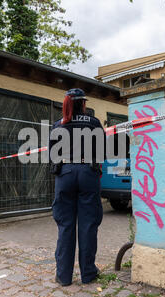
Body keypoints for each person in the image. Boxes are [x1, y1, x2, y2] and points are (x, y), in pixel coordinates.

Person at [49, 88, 105, 286]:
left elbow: (53, 157)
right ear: (83, 104)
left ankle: (63, 276)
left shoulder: (58, 125)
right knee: (88, 224)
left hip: (65, 173)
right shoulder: (95, 123)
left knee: (65, 225)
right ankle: (88, 274)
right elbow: (101, 153)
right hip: (87, 173)